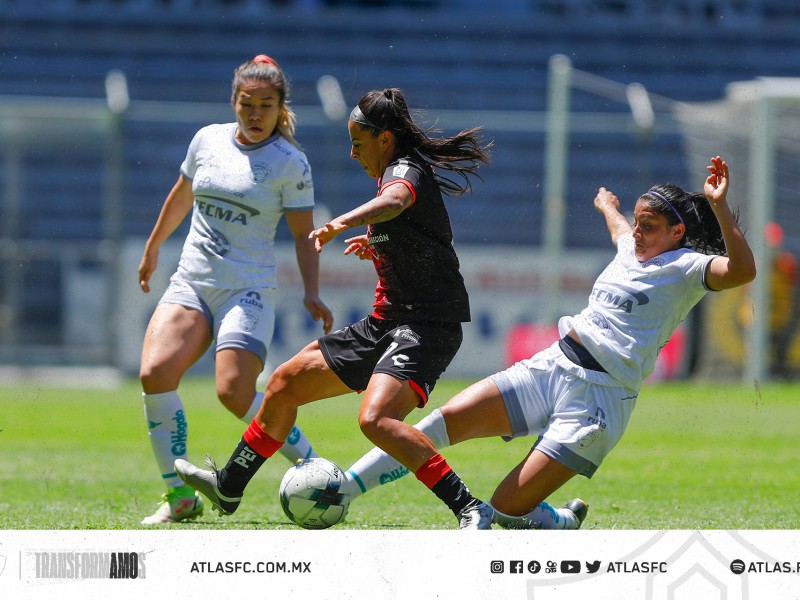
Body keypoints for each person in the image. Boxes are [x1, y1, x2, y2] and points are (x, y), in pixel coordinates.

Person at [331, 155, 757, 529]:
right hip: (551, 367)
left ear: (677, 231)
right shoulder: (633, 246)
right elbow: (621, 231)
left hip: (599, 399)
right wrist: (609, 208)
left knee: (505, 508)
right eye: (638, 222)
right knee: (439, 424)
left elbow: (742, 272)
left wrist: (720, 208)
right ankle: (344, 490)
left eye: (649, 226)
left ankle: (560, 520)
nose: (638, 232)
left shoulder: (686, 267)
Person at [175, 87, 495, 528]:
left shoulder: (403, 170)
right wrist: (380, 241)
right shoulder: (391, 172)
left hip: (428, 327)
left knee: (377, 419)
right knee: (284, 383)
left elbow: (397, 201)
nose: (351, 153)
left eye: (358, 143)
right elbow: (403, 222)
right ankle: (229, 485)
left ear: (385, 140)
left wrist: (344, 221)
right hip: (388, 323)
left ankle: (469, 507)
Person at [138, 54, 333, 525]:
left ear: (279, 107)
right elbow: (182, 194)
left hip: (248, 289)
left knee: (232, 390)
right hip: (192, 279)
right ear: (234, 102)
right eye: (247, 104)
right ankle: (180, 496)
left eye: (266, 105)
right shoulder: (206, 140)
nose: (255, 114)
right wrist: (153, 248)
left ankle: (313, 468)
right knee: (154, 374)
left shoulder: (290, 162)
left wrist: (312, 290)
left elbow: (304, 233)